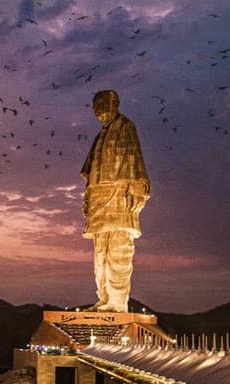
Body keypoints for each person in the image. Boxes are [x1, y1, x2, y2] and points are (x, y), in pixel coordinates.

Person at [81, 90, 150, 313]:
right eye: (94, 105)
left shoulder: (126, 127)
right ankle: (104, 297)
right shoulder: (101, 134)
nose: (96, 109)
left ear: (112, 104)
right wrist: (87, 198)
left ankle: (117, 301)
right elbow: (90, 169)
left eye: (99, 104)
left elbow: (135, 158)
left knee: (119, 250)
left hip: (120, 195)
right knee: (100, 254)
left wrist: (138, 188)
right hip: (99, 197)